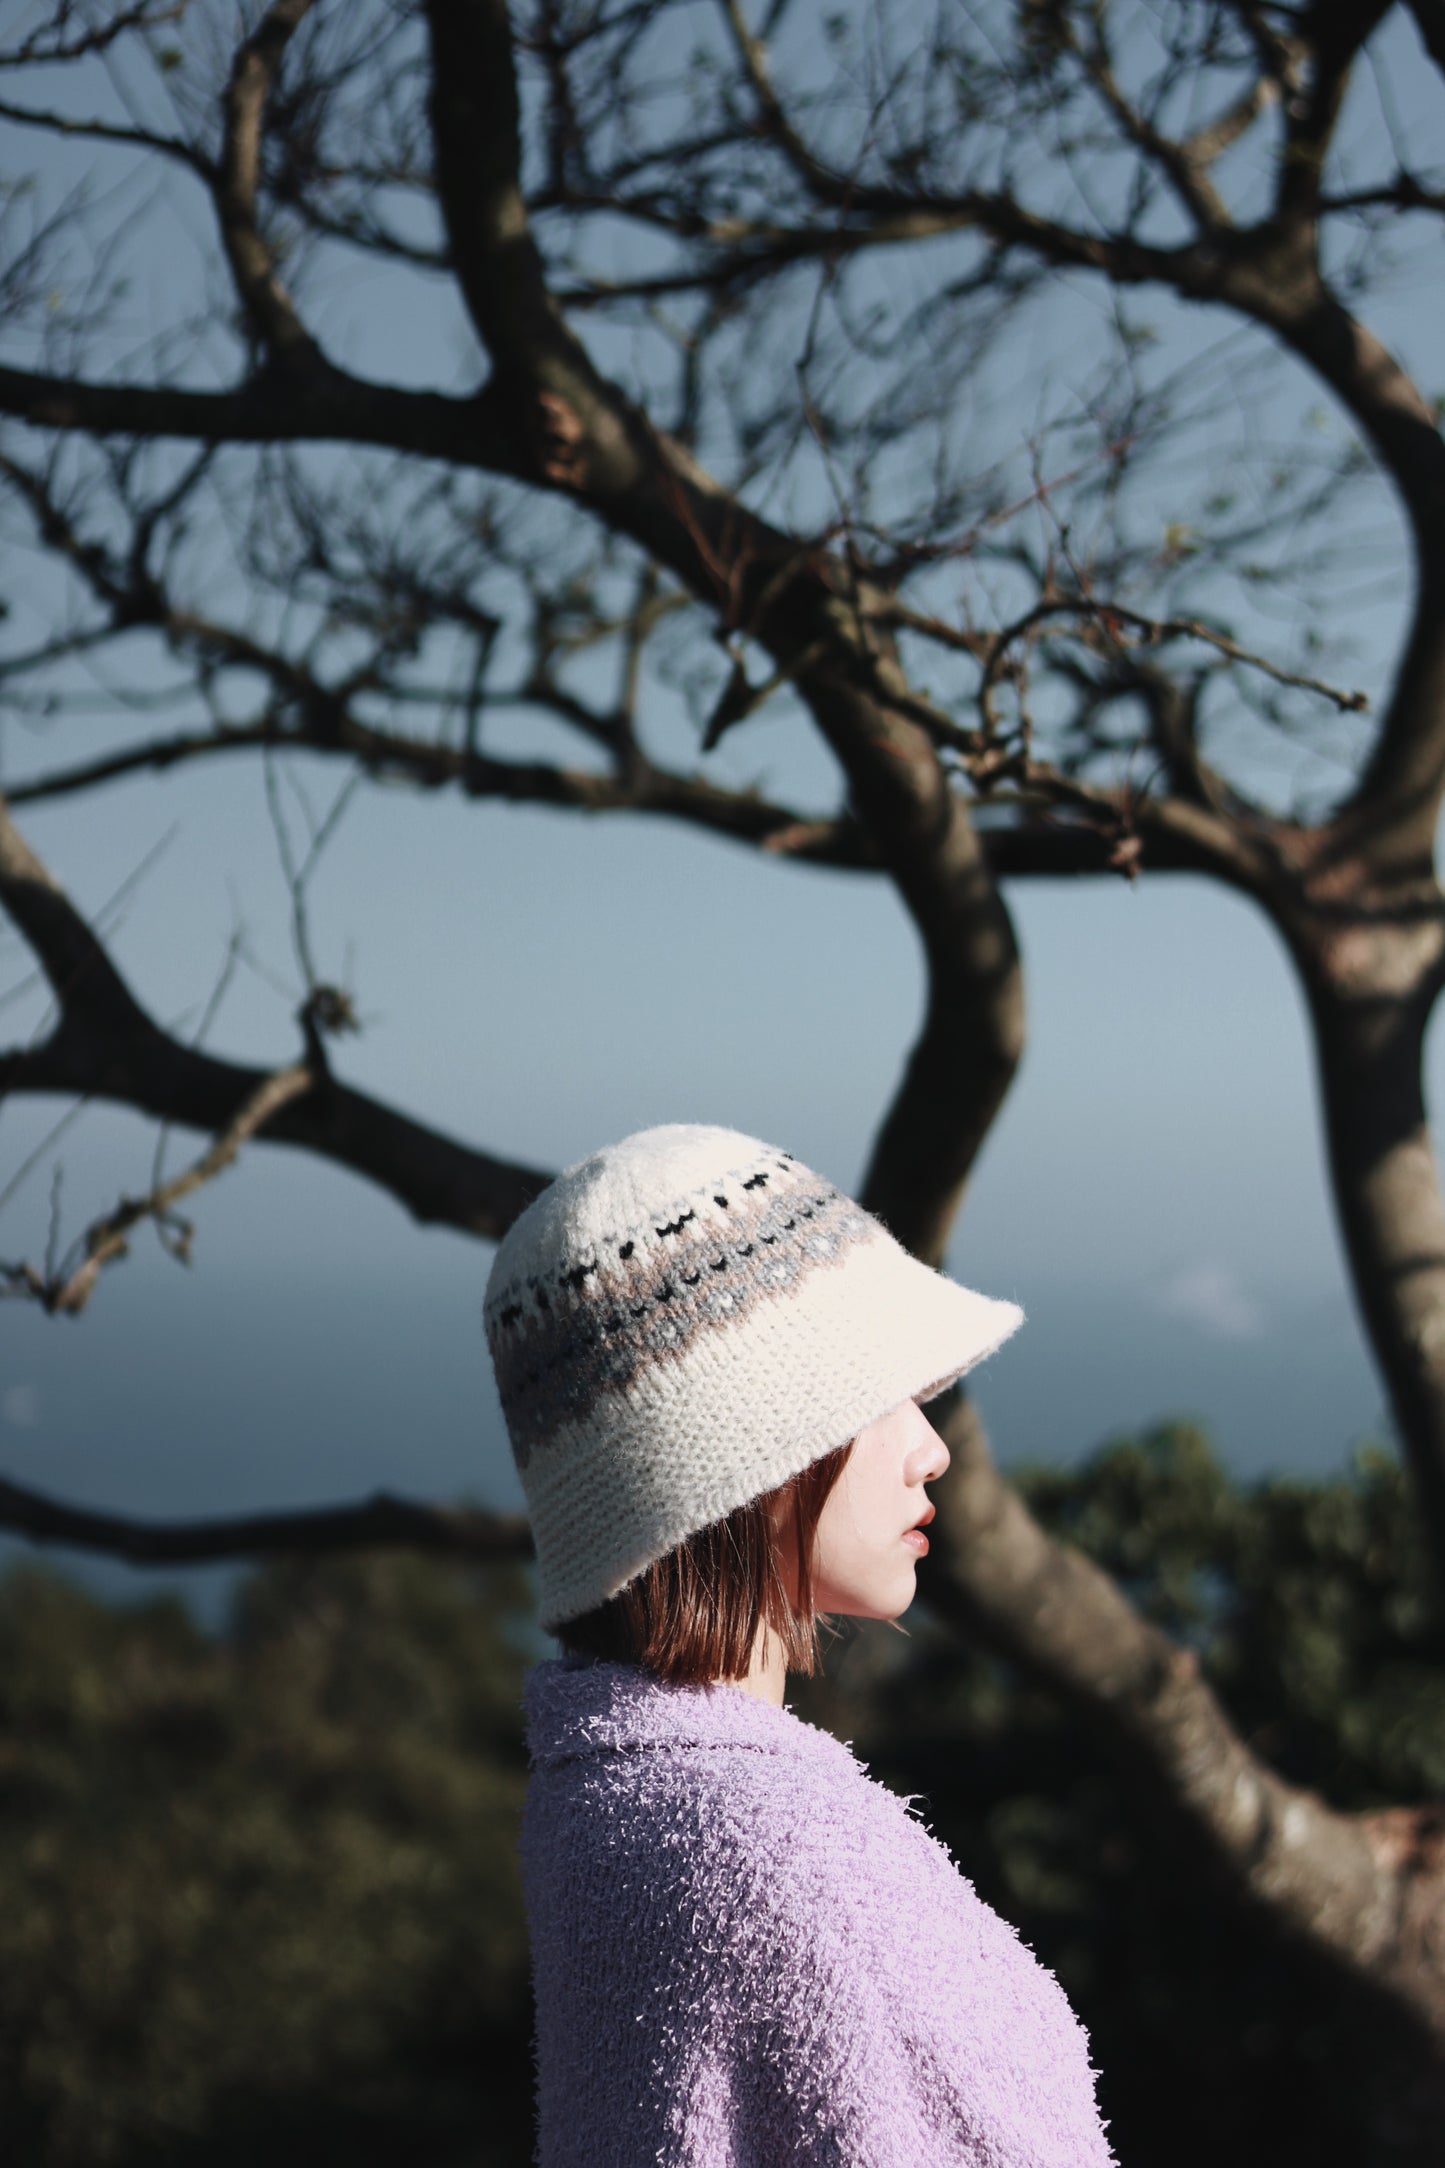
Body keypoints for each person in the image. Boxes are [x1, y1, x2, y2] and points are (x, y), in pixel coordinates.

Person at [484, 1123, 1115, 2167]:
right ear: (751, 1452)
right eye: (879, 1397)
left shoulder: (601, 1804)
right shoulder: (783, 1854)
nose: (931, 1448)